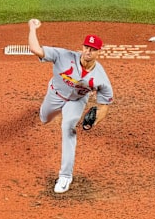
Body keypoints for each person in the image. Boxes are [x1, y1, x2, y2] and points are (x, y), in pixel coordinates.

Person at [27, 18, 114, 193]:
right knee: (45, 118)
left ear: (98, 52)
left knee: (68, 128)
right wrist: (32, 27)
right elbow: (35, 49)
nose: (88, 52)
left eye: (93, 49)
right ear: (82, 47)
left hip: (76, 101)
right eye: (86, 47)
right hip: (55, 94)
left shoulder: (101, 77)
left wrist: (93, 121)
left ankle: (65, 176)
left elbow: (104, 104)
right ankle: (53, 112)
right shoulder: (63, 55)